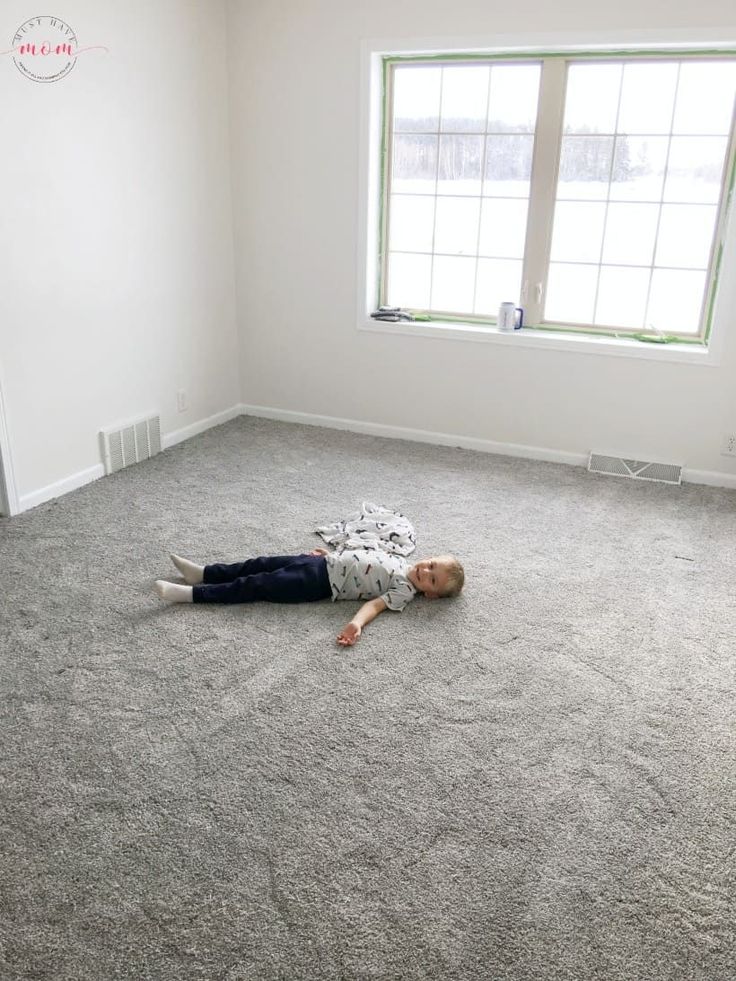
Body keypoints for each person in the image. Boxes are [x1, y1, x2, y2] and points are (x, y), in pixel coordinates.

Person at [153, 548, 464, 646]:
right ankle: (205, 573)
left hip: (318, 583)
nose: (426, 571)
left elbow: (374, 604)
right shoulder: (401, 560)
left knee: (257, 583)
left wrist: (356, 624)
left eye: (432, 579)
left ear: (430, 595)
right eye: (431, 564)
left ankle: (193, 594)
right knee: (259, 564)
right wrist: (332, 552)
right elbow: (364, 554)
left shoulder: (404, 591)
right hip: (320, 562)